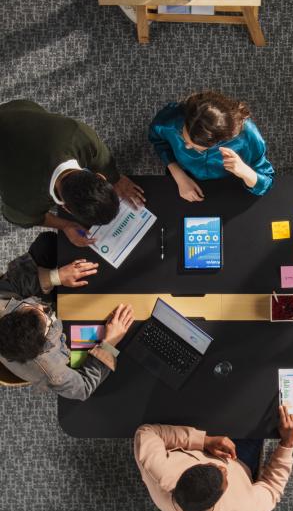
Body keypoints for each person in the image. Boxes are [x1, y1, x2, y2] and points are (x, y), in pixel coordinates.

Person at [0, 232, 134, 399]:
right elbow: (83, 388)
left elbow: (12, 280)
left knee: (46, 243)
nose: (42, 306)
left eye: (30, 307)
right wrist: (108, 344)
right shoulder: (50, 369)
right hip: (64, 342)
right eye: (46, 320)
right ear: (43, 346)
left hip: (32, 298)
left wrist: (56, 277)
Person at [134, 406, 293, 511]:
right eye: (224, 477)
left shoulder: (157, 471)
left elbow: (147, 431)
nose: (221, 466)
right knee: (259, 414)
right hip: (239, 459)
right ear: (220, 497)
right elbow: (273, 488)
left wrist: (204, 441)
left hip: (196, 441)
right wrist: (288, 442)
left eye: (208, 465)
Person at [0, 99, 145, 247]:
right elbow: (19, 219)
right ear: (67, 208)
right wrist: (65, 225)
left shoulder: (80, 136)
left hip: (16, 113)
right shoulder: (24, 203)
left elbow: (99, 155)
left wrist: (116, 179)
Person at [148, 90, 274, 202]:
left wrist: (245, 171)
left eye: (194, 146)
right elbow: (158, 141)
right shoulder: (169, 121)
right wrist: (178, 175)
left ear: (218, 142)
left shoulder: (247, 136)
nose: (185, 147)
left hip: (230, 186)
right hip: (182, 178)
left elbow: (267, 183)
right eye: (183, 137)